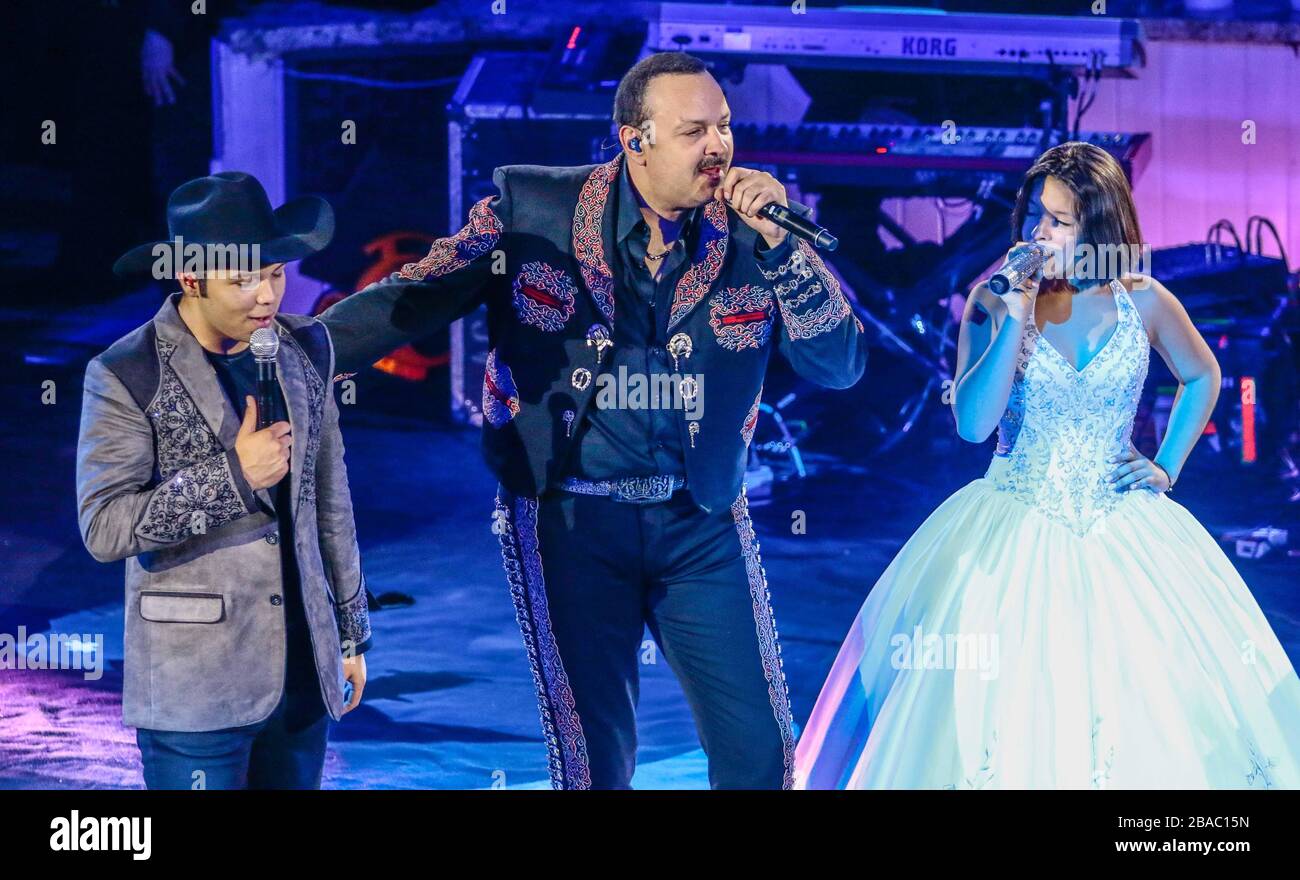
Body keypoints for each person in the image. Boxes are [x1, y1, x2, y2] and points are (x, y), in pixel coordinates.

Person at [321, 51, 867, 789]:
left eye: (726, 127)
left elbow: (840, 365)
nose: (719, 147)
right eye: (694, 131)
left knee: (758, 752)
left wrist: (782, 249)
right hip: (569, 524)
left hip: (699, 520)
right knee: (594, 760)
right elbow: (412, 298)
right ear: (633, 140)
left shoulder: (753, 235)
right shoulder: (532, 208)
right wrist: (291, 354)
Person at [794, 142, 1300, 789]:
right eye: (1036, 215)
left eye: (1059, 220)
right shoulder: (991, 298)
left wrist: (1167, 464)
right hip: (1014, 517)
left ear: (1099, 225)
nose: (1041, 232)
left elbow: (1203, 375)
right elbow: (974, 423)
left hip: (1125, 525)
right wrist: (1012, 314)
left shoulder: (1142, 300)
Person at [76, 171, 372, 789]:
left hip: (300, 671)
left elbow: (330, 502)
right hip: (196, 684)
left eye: (273, 274)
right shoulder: (125, 371)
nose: (265, 296)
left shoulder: (306, 348)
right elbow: (104, 527)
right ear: (191, 279)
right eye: (242, 280)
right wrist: (237, 476)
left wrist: (349, 633)